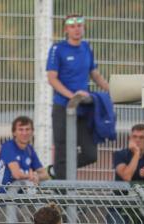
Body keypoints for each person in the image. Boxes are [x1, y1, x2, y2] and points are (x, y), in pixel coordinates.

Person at [47, 13, 110, 180]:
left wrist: (110, 89)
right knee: (61, 150)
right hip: (63, 107)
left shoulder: (87, 47)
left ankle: (56, 171)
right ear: (66, 29)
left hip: (82, 108)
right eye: (72, 26)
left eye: (79, 25)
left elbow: (94, 73)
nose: (76, 29)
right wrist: (72, 96)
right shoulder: (57, 49)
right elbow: (52, 78)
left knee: (90, 154)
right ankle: (62, 196)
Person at [0, 116, 50, 194]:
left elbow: (45, 174)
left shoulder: (29, 149)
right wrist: (31, 176)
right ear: (14, 132)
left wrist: (37, 176)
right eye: (21, 129)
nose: (24, 133)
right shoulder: (8, 147)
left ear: (32, 131)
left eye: (27, 129)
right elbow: (16, 174)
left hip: (19, 199)